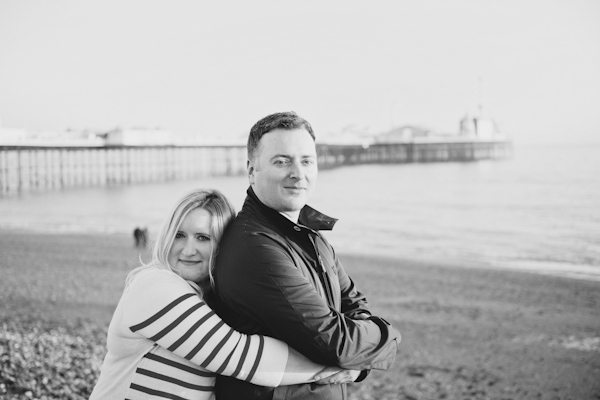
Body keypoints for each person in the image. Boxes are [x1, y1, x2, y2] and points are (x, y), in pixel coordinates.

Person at [212, 112, 401, 399]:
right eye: (282, 161)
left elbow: (354, 303)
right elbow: (335, 342)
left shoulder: (308, 233)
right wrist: (390, 337)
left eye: (306, 161)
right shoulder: (255, 247)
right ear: (252, 170)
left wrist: (359, 365)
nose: (298, 173)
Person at [90, 189, 347, 400]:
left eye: (203, 238)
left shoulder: (209, 302)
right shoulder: (156, 286)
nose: (188, 250)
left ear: (222, 246)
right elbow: (243, 357)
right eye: (179, 235)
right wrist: (341, 363)